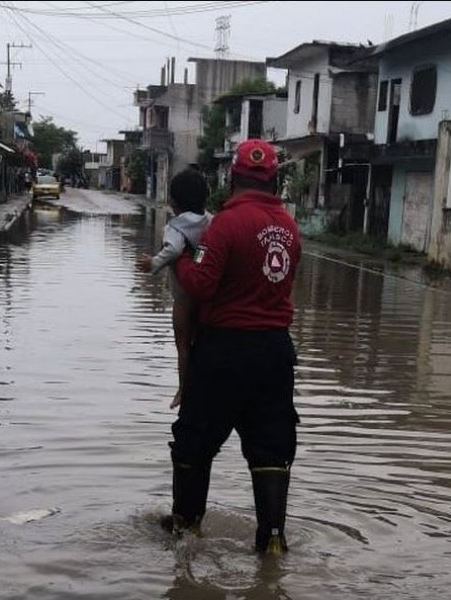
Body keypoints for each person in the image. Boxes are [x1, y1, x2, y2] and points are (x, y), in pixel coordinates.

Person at [164, 139, 301, 555]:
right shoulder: (290, 228)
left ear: (232, 178)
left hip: (223, 352)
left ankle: (185, 526)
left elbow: (202, 284)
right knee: (271, 445)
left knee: (194, 440)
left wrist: (183, 258)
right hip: (275, 353)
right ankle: (273, 539)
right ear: (274, 179)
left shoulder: (226, 224)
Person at [137, 169, 212, 408]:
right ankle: (203, 386)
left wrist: (153, 263)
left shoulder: (175, 227)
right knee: (202, 342)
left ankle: (183, 390)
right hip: (206, 295)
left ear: (173, 202)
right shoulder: (213, 221)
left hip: (183, 298)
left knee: (182, 346)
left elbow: (173, 250)